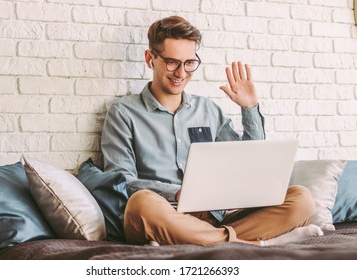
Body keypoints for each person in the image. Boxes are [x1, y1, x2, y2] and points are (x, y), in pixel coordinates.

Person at [101, 16, 323, 246]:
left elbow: (251, 163)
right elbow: (121, 180)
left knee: (301, 199)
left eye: (189, 63)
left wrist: (249, 108)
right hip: (163, 215)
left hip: (213, 219)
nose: (181, 73)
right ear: (150, 58)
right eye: (171, 62)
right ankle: (256, 244)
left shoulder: (207, 109)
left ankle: (208, 240)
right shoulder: (123, 112)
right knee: (142, 204)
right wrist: (179, 193)